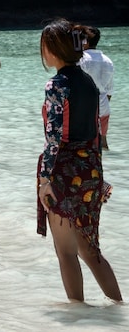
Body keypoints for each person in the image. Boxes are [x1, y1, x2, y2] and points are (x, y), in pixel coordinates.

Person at [36, 19, 122, 303]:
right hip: (90, 171)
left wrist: (45, 180)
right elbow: (96, 134)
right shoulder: (88, 82)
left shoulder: (57, 84)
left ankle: (79, 317)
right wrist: (99, 177)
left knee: (66, 253)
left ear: (52, 49)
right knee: (91, 250)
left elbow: (53, 138)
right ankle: (120, 309)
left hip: (63, 171)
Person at [78, 25, 114, 150]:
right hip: (103, 106)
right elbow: (109, 90)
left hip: (85, 107)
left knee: (85, 147)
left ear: (85, 41)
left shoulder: (81, 59)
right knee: (103, 144)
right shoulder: (108, 60)